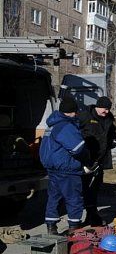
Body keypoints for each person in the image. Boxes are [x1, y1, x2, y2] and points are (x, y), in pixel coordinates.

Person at [39, 96, 87, 235]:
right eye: (75, 111)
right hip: (67, 168)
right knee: (73, 198)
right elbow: (77, 148)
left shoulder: (52, 124)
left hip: (53, 168)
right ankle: (74, 228)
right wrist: (87, 159)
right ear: (72, 112)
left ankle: (51, 227)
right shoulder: (66, 126)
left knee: (53, 197)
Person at [78, 96, 116, 226]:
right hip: (86, 159)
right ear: (97, 106)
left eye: (108, 109)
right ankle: (76, 220)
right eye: (104, 109)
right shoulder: (85, 116)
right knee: (82, 189)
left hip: (100, 160)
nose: (106, 112)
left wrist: (114, 140)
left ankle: (92, 216)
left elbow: (112, 133)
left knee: (94, 190)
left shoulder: (109, 119)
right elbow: (74, 132)